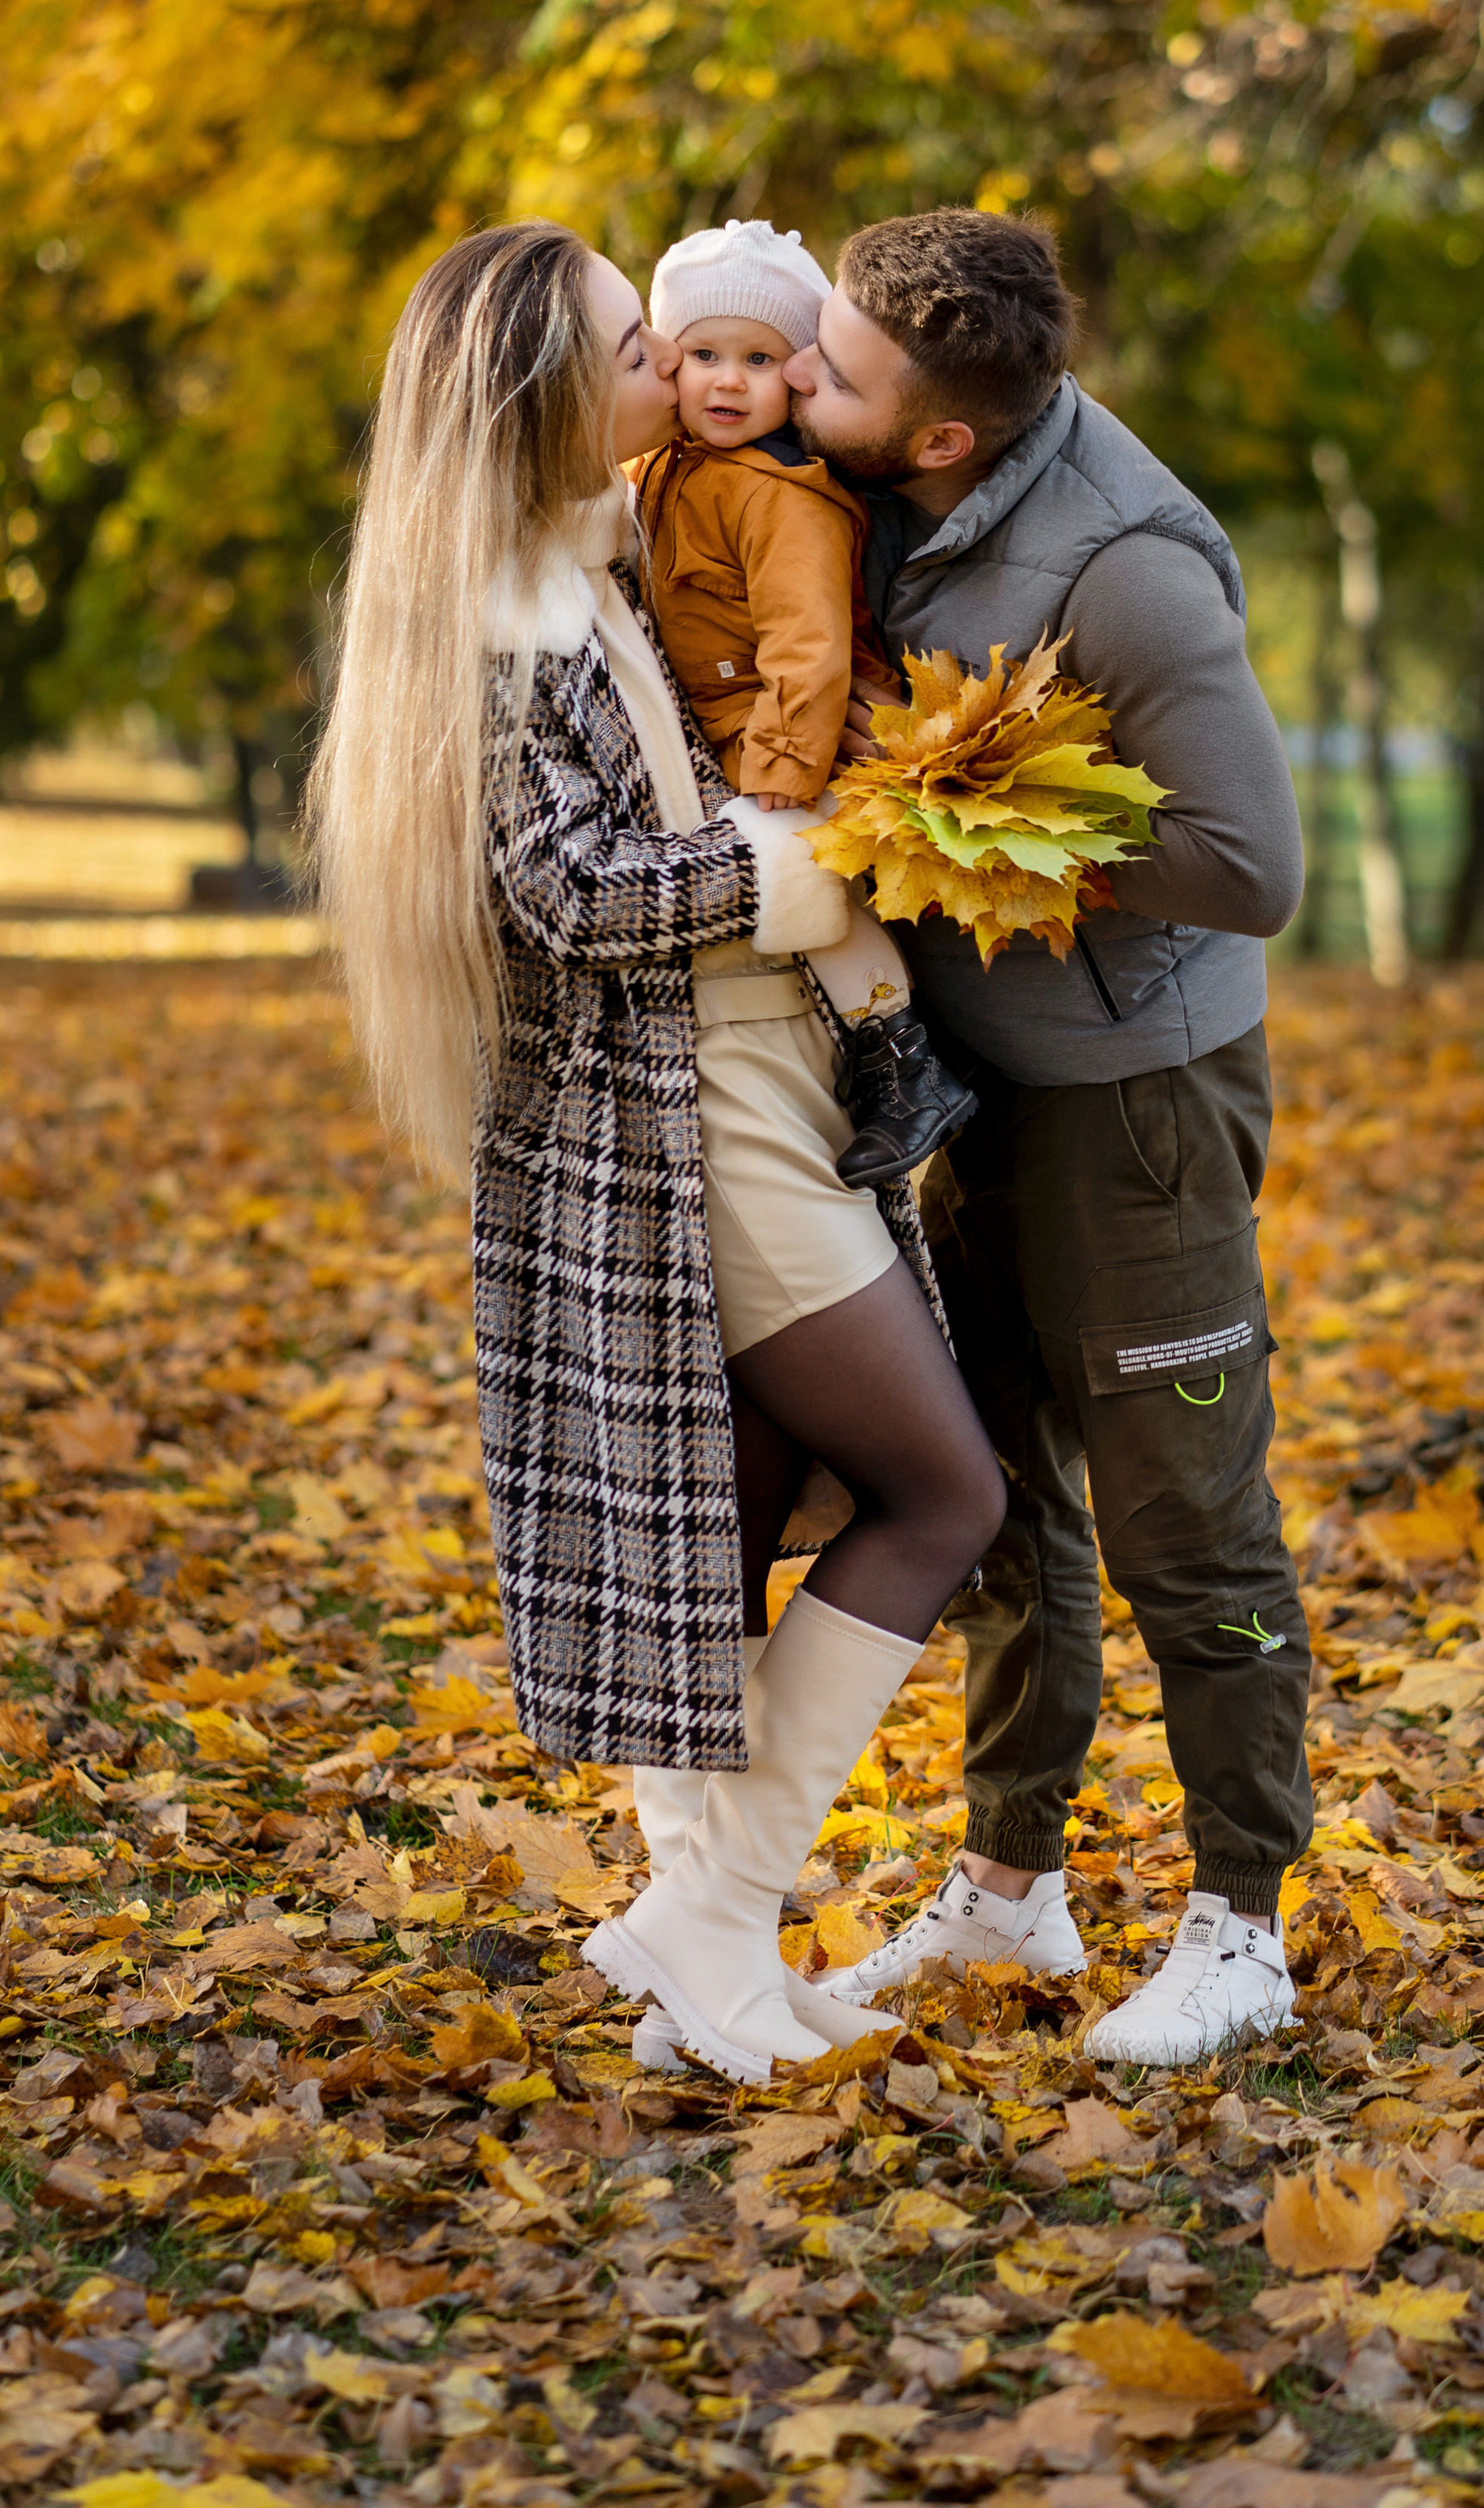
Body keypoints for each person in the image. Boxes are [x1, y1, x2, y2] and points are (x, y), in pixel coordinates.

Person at [306, 217, 1005, 2086]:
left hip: (749, 1091)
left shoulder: (597, 552)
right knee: (944, 1493)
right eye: (637, 348)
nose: (672, 373)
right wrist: (816, 867)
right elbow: (563, 889)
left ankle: (718, 1947)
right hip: (681, 1128)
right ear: (546, 396)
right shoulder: (491, 622)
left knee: (729, 1533)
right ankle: (704, 1918)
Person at [787, 207, 1311, 2066]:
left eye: (830, 371)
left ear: (941, 437)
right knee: (999, 1505)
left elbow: (1252, 867)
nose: (796, 379)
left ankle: (1242, 1924)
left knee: (1190, 1526)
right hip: (976, 1089)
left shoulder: (1130, 570)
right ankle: (1011, 1893)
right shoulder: (881, 480)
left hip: (1136, 1104)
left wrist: (970, 813)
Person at [631, 217, 978, 1188]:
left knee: (808, 885)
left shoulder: (782, 493)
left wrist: (787, 768)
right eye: (704, 355)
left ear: (800, 372)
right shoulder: (666, 466)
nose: (728, 381)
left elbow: (810, 642)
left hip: (793, 738)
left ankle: (901, 1054)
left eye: (760, 358)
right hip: (728, 732)